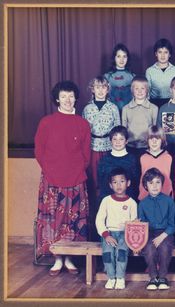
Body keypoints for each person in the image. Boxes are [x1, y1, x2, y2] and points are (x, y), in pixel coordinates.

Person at [35, 80, 90, 276]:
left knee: (73, 220)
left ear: (76, 98)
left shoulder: (83, 124)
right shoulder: (46, 122)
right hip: (52, 180)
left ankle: (70, 258)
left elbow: (86, 155)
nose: (68, 100)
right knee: (54, 220)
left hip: (75, 179)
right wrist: (51, 171)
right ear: (57, 98)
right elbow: (39, 151)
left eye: (71, 96)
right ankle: (57, 259)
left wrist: (74, 171)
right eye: (64, 96)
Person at [95, 167, 137, 290]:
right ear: (110, 185)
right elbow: (99, 220)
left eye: (122, 181)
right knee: (108, 254)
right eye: (115, 182)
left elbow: (134, 224)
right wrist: (106, 235)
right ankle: (111, 277)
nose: (118, 185)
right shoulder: (106, 201)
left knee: (121, 253)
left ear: (128, 183)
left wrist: (133, 241)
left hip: (125, 234)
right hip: (109, 234)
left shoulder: (132, 203)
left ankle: (120, 278)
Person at [82, 76, 121, 200]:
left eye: (103, 87)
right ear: (92, 89)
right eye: (97, 87)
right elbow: (83, 131)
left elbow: (118, 129)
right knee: (93, 178)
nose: (100, 90)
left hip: (109, 147)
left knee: (109, 177)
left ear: (108, 89)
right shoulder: (87, 109)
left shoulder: (113, 108)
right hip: (93, 147)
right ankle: (94, 208)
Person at [138, 168, 175, 291]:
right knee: (149, 249)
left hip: (165, 233)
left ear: (162, 184)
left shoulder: (169, 201)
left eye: (158, 182)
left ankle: (163, 277)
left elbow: (172, 224)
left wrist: (163, 236)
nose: (154, 186)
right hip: (148, 233)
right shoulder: (142, 204)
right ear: (145, 185)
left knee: (164, 248)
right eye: (151, 183)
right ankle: (153, 277)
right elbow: (141, 225)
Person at [97, 125, 139, 204]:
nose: (118, 142)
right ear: (110, 141)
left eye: (121, 139)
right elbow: (101, 183)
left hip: (128, 201)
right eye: (114, 139)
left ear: (126, 141)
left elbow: (135, 183)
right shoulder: (104, 160)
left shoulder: (132, 159)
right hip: (109, 201)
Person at [122, 76, 158, 159]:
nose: (139, 91)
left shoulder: (154, 108)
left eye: (143, 88)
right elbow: (124, 129)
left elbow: (154, 129)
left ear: (147, 90)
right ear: (132, 90)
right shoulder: (126, 108)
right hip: (130, 146)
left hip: (147, 147)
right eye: (136, 88)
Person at [138, 125, 173, 200]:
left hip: (165, 198)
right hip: (145, 198)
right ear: (147, 140)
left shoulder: (169, 157)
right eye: (151, 138)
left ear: (162, 140)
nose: (154, 142)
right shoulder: (141, 157)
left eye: (157, 138)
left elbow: (173, 179)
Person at [145, 38, 175, 108]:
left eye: (166, 52)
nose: (163, 55)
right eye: (160, 52)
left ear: (170, 54)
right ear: (156, 54)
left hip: (171, 102)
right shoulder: (149, 71)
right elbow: (147, 91)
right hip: (154, 103)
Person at [104, 43, 136, 111]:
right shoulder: (107, 77)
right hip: (111, 111)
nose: (122, 60)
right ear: (114, 58)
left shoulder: (133, 77)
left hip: (129, 111)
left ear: (127, 58)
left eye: (124, 56)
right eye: (119, 56)